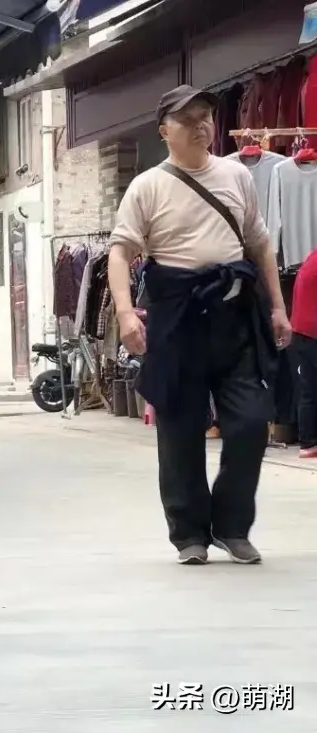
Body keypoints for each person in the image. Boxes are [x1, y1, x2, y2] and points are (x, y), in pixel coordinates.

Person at [107, 84, 290, 566]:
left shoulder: (236, 175)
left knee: (251, 423)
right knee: (181, 429)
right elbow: (121, 252)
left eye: (206, 116)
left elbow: (260, 245)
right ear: (164, 130)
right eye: (188, 118)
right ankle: (189, 532)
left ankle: (232, 526)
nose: (201, 125)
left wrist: (277, 307)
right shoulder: (147, 186)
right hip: (178, 321)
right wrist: (126, 313)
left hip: (234, 316)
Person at [290, 249, 317, 459]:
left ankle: (308, 444)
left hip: (301, 331)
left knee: (308, 390)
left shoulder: (311, 258)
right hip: (312, 331)